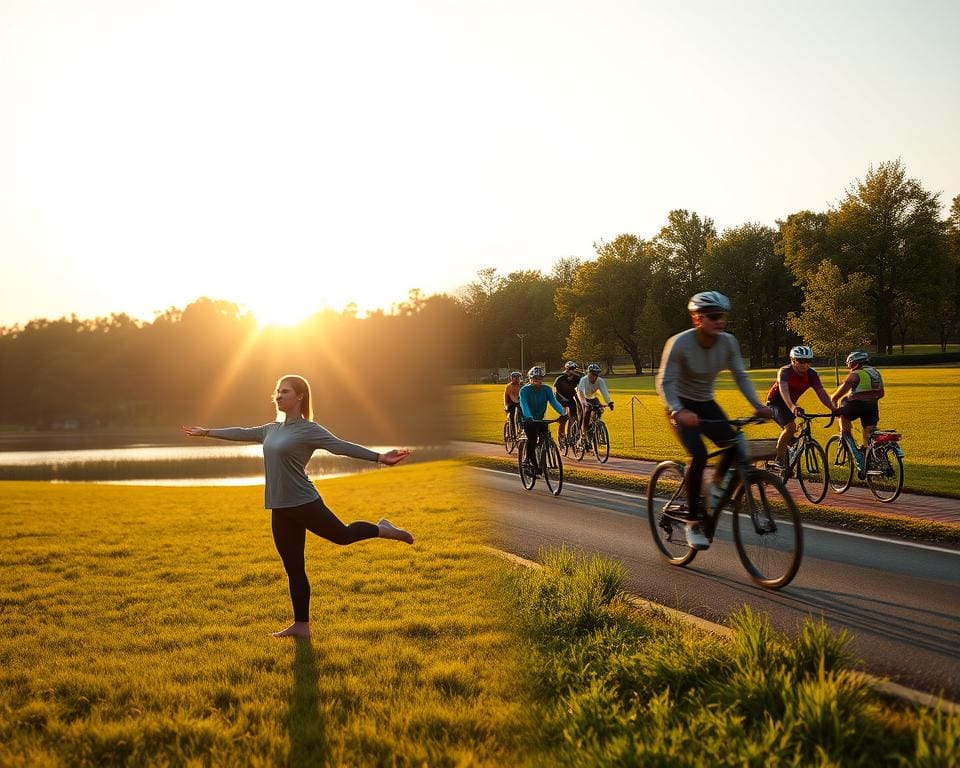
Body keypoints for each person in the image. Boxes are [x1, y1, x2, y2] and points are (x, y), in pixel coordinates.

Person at [182, 373, 413, 640]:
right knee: (293, 566)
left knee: (343, 536)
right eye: (278, 392)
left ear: (300, 397)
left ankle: (383, 529)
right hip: (279, 507)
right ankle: (301, 625)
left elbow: (340, 447)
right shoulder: (271, 429)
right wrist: (208, 432)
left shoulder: (309, 430)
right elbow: (242, 433)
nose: (279, 396)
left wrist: (379, 457)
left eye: (286, 392)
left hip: (304, 501)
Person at [655, 292, 771, 549]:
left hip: (706, 402)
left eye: (723, 316)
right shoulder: (679, 343)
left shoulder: (728, 342)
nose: (721, 321)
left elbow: (740, 376)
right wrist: (677, 410)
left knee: (734, 440)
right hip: (680, 404)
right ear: (697, 318)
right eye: (714, 316)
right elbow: (664, 382)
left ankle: (716, 486)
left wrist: (758, 406)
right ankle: (693, 522)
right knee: (698, 454)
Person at [765, 346, 836, 470]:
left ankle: (791, 453)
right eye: (801, 361)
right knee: (791, 428)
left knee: (795, 436)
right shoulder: (785, 371)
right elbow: (784, 391)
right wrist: (793, 406)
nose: (805, 364)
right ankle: (779, 459)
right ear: (793, 360)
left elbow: (821, 392)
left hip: (791, 404)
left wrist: (833, 408)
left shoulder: (812, 374)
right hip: (775, 403)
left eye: (808, 361)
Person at [830, 350, 885, 472]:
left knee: (844, 425)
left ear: (853, 363)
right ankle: (872, 458)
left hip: (854, 406)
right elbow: (881, 393)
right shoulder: (875, 372)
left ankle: (858, 457)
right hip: (872, 406)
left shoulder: (854, 375)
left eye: (849, 364)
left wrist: (834, 406)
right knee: (869, 432)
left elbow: (836, 396)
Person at [519, 366, 567, 467]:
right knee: (532, 439)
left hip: (540, 419)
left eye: (540, 379)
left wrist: (563, 413)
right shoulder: (524, 390)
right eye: (535, 379)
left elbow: (554, 402)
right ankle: (528, 460)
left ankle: (541, 454)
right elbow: (524, 404)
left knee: (544, 438)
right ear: (530, 379)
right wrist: (528, 417)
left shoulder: (546, 389)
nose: (538, 381)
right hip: (529, 420)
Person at [576, 363, 614, 440]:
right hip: (581, 397)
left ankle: (595, 424)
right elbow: (580, 392)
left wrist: (609, 402)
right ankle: (583, 432)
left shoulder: (600, 381)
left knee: (599, 409)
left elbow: (604, 392)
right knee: (585, 412)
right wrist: (584, 403)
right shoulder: (584, 380)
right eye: (593, 374)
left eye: (597, 374)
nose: (595, 376)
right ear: (588, 373)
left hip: (592, 397)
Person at [553, 361, 582, 442]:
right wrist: (560, 399)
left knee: (574, 417)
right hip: (560, 399)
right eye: (570, 369)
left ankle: (571, 435)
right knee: (564, 418)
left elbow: (580, 387)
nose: (572, 371)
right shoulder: (560, 378)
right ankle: (561, 436)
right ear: (567, 369)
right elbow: (554, 390)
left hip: (570, 399)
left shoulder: (577, 378)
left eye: (574, 369)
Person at [503, 371, 522, 437]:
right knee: (512, 416)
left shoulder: (521, 386)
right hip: (510, 403)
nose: (517, 379)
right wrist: (506, 406)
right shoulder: (509, 386)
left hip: (519, 402)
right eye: (515, 378)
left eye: (518, 378)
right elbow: (506, 398)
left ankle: (522, 427)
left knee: (523, 414)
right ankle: (513, 433)